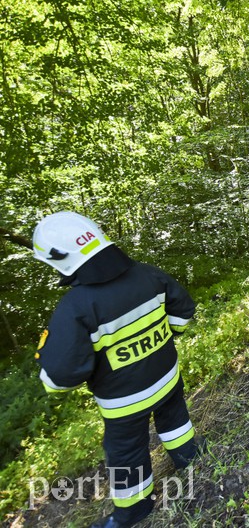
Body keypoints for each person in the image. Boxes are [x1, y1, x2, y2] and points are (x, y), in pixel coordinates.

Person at [32, 211, 199, 528]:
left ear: (59, 259)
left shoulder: (75, 308)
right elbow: (183, 311)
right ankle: (189, 456)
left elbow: (58, 379)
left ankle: (135, 509)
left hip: (124, 403)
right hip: (167, 377)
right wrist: (162, 339)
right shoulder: (148, 274)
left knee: (127, 451)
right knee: (174, 417)